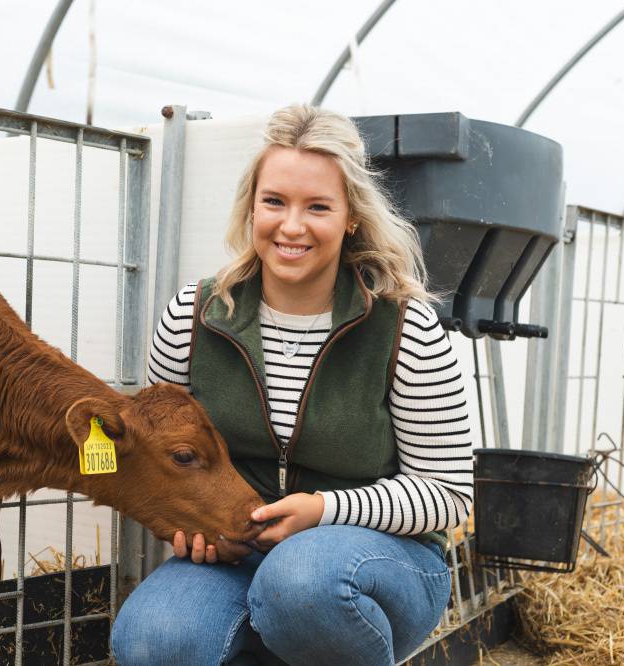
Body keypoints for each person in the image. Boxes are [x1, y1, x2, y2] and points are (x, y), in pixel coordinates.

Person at [112, 104, 474, 666]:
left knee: (300, 584)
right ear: (251, 206)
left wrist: (323, 509)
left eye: (318, 207)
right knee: (153, 639)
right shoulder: (192, 316)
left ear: (351, 216)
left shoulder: (406, 327)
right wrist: (185, 523)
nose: (291, 226)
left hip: (375, 564)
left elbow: (448, 495)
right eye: (274, 201)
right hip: (238, 553)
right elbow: (155, 456)